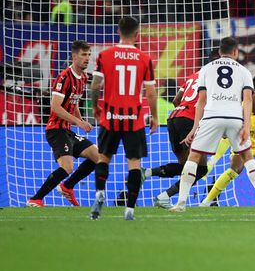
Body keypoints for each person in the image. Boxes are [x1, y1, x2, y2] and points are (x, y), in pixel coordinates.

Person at [169, 37, 255, 212]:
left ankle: (181, 203)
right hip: (235, 118)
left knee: (194, 157)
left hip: (212, 116)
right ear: (236, 52)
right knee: (247, 157)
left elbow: (201, 101)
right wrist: (246, 126)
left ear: (220, 51)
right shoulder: (244, 71)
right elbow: (248, 99)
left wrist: (194, 128)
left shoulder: (205, 69)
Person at [90, 17, 158, 220]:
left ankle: (100, 193)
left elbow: (95, 85)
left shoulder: (104, 55)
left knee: (103, 158)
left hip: (110, 117)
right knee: (134, 163)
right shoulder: (144, 58)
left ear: (118, 31)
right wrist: (154, 116)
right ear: (137, 35)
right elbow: (151, 92)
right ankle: (130, 209)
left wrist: (95, 106)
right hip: (134, 119)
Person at [142, 50, 220, 209]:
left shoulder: (193, 76)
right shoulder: (215, 79)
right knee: (200, 168)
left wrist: (183, 114)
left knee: (187, 166)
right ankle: (166, 197)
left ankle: (148, 172)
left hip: (174, 118)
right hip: (190, 120)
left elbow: (176, 100)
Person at [27, 41, 100, 207]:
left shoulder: (84, 77)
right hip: (56, 130)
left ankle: (67, 187)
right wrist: (79, 123)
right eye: (83, 55)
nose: (87, 58)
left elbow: (73, 104)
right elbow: (55, 107)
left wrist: (81, 121)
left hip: (67, 130)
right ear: (74, 57)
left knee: (98, 157)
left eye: (88, 55)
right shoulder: (64, 77)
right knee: (67, 168)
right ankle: (36, 199)